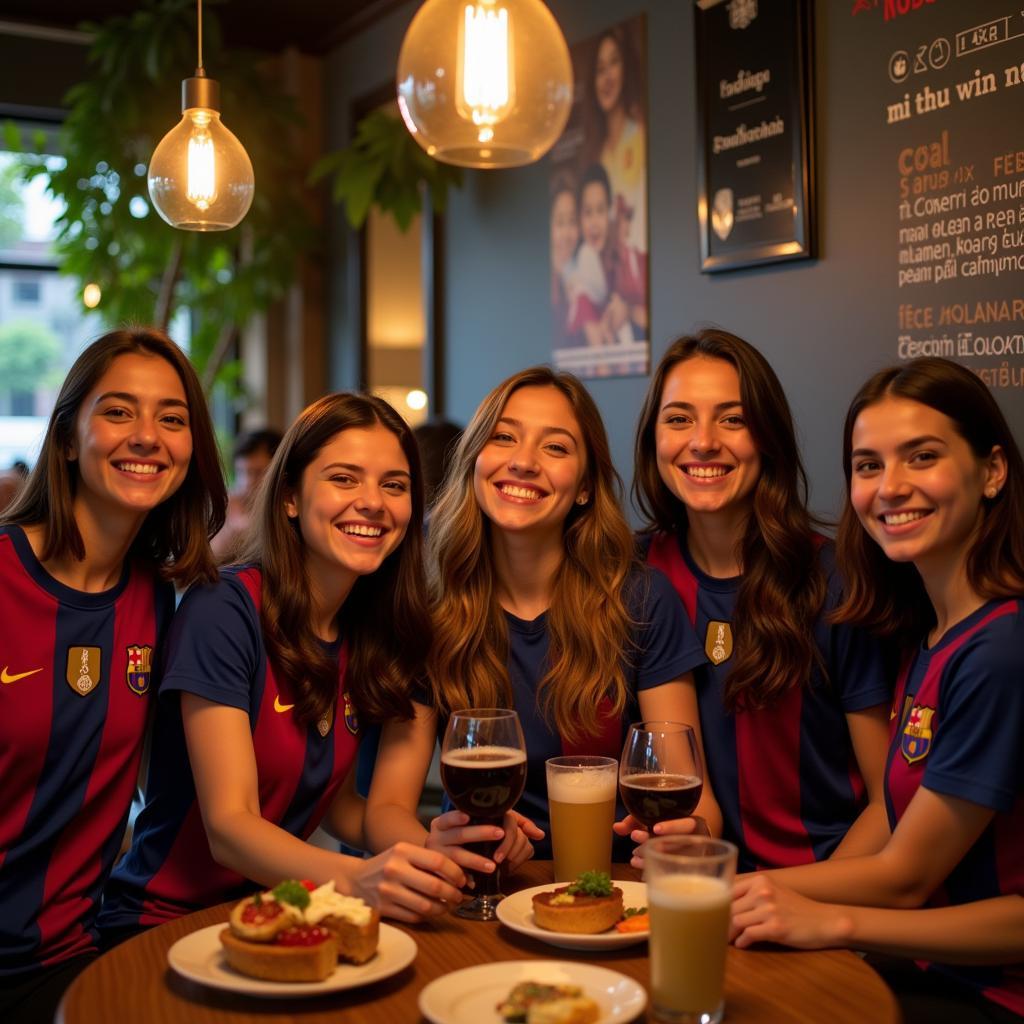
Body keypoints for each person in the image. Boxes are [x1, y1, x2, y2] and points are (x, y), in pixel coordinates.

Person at [98, 392, 466, 941]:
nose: (373, 502)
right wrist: (356, 878)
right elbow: (229, 826)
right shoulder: (223, 608)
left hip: (281, 916)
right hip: (165, 924)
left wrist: (429, 850)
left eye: (394, 485)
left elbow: (341, 806)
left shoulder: (371, 628)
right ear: (290, 496)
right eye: (344, 479)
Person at [730, 357, 1024, 1024]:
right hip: (928, 969)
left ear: (993, 470)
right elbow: (899, 827)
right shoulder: (931, 632)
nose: (890, 487)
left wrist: (821, 919)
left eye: (922, 457)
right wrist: (733, 890)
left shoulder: (1001, 649)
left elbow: (907, 875)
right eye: (868, 465)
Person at [363, 366, 712, 875]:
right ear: (474, 460)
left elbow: (699, 808)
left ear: (587, 486)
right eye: (504, 437)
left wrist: (690, 837)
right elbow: (386, 811)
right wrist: (439, 851)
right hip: (483, 885)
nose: (523, 462)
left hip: (613, 887)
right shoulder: (428, 608)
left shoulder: (641, 601)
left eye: (555, 447)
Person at [0, 327, 226, 1024]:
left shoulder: (157, 600)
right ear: (67, 437)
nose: (147, 436)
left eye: (172, 417)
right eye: (119, 411)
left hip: (70, 960)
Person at [622, 329, 892, 872]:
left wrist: (803, 901)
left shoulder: (836, 582)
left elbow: (892, 803)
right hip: (676, 890)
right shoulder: (627, 574)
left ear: (767, 437)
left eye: (732, 418)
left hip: (819, 902)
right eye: (678, 419)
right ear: (653, 439)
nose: (702, 441)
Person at [211, 427, 283, 561]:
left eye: (257, 472)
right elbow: (207, 562)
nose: (246, 482)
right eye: (241, 472)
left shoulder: (289, 509)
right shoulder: (226, 504)